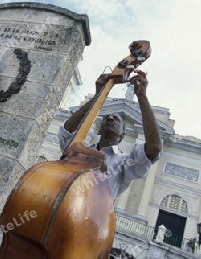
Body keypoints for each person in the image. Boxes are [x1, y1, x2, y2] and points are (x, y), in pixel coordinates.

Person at [58, 70, 162, 199]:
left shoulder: (124, 162)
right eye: (106, 117)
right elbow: (65, 133)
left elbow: (154, 148)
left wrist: (142, 97)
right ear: (99, 130)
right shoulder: (77, 151)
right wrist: (98, 96)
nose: (110, 119)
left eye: (116, 119)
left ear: (122, 134)